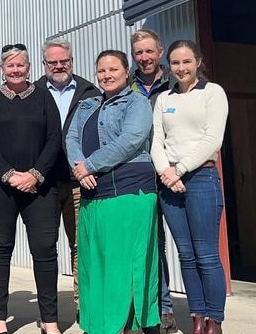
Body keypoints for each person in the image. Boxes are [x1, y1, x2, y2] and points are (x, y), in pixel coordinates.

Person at [65, 50, 159, 334]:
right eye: (101, 71)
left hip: (128, 192)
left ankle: (127, 326)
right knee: (95, 266)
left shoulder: (137, 103)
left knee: (125, 267)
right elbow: (70, 138)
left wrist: (89, 165)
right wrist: (79, 168)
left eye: (113, 70)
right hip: (94, 196)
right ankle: (99, 326)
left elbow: (131, 140)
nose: (106, 75)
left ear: (126, 71)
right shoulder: (86, 105)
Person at [0, 43, 62, 334]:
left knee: (44, 249)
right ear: (2, 69)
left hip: (39, 187)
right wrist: (9, 174)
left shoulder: (43, 97)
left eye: (21, 65)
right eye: (10, 65)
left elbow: (54, 139)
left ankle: (49, 320)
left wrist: (35, 175)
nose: (15, 70)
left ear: (29, 67)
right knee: (0, 249)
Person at [151, 40, 228, 334]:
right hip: (169, 182)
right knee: (185, 253)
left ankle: (214, 320)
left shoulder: (212, 93)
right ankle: (197, 316)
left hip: (201, 179)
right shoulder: (164, 99)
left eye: (186, 62)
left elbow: (212, 140)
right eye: (175, 63)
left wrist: (179, 170)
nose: (180, 68)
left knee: (206, 253)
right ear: (168, 65)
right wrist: (166, 173)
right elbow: (156, 141)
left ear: (197, 62)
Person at [33, 37, 101, 323]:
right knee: (45, 247)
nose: (59, 66)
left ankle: (82, 305)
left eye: (64, 61)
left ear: (71, 61)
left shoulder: (90, 92)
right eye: (53, 62)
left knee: (81, 246)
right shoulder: (33, 92)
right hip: (44, 184)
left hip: (78, 183)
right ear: (44, 64)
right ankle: (48, 315)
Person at [129, 29, 178, 334]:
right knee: (145, 244)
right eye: (138, 53)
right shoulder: (128, 87)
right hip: (138, 175)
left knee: (174, 245)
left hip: (171, 173)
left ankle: (165, 307)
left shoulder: (175, 84)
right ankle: (145, 307)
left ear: (159, 52)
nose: (144, 57)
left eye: (149, 51)